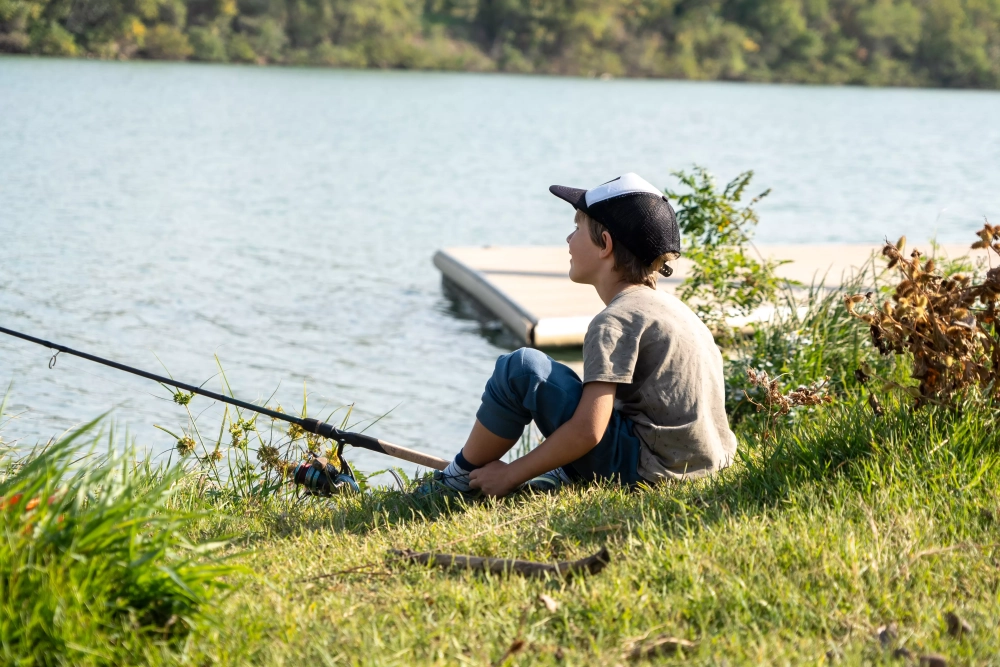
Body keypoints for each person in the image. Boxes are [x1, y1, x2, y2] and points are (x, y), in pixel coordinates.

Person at [417, 173, 737, 498]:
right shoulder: (676, 311)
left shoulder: (615, 320)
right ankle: (563, 471)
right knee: (572, 387)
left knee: (522, 369)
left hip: (651, 473)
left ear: (606, 245)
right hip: (705, 469)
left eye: (577, 228)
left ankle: (457, 480)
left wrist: (511, 474)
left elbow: (588, 431)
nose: (569, 240)